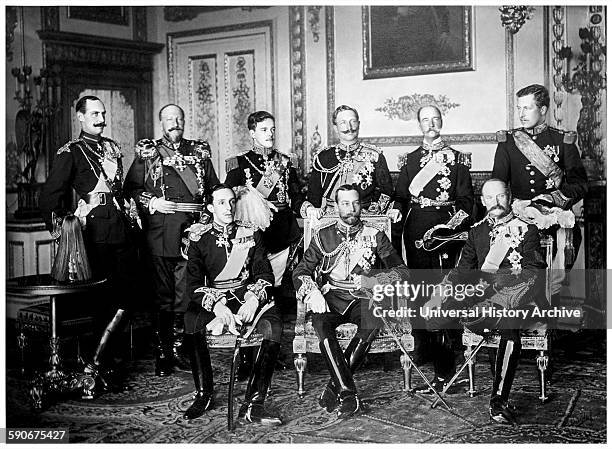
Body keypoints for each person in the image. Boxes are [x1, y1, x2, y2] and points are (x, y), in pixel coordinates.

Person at [423, 179, 546, 424]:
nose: (496, 203)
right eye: (490, 198)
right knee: (432, 315)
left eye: (501, 196)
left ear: (509, 197)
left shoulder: (527, 230)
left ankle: (498, 401)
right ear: (483, 201)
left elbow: (534, 272)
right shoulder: (476, 232)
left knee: (509, 328)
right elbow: (460, 272)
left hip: (517, 298)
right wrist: (437, 297)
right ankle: (443, 374)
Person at [39, 95, 139, 391]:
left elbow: (123, 189)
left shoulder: (111, 148)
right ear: (80, 117)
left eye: (103, 113)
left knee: (127, 296)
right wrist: (70, 223)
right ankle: (95, 366)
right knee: (101, 301)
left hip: (123, 231)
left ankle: (107, 360)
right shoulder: (70, 152)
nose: (101, 118)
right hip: (95, 236)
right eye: (94, 113)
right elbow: (49, 198)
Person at [293, 184, 410, 418]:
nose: (352, 209)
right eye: (345, 203)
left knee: (372, 321)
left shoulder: (375, 234)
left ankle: (335, 388)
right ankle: (348, 393)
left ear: (361, 204)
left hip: (363, 296)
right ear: (336, 206)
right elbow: (301, 271)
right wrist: (313, 292)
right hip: (331, 296)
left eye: (356, 203)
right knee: (321, 325)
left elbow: (401, 271)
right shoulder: (322, 235)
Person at [124, 104, 219, 377]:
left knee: (187, 292)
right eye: (168, 119)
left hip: (194, 230)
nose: (174, 122)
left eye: (178, 118)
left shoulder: (199, 150)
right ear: (161, 123)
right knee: (163, 294)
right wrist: (152, 201)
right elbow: (131, 188)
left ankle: (181, 348)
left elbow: (212, 188)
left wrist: (210, 217)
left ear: (185, 120)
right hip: (161, 229)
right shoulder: (149, 151)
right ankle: (163, 354)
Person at [182, 184, 283, 425]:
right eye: (221, 202)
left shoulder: (251, 232)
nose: (228, 207)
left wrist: (254, 299)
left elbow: (264, 274)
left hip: (246, 294)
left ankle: (254, 402)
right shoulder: (199, 238)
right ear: (210, 207)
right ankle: (204, 393)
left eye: (231, 202)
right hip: (215, 296)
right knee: (190, 320)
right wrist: (217, 307)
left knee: (274, 324)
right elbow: (193, 283)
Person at [393, 104, 474, 382]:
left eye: (435, 119)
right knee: (418, 286)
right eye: (425, 120)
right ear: (419, 125)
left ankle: (450, 348)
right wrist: (395, 209)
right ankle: (423, 345)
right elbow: (402, 197)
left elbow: (466, 201)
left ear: (442, 122)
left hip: (445, 228)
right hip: (415, 227)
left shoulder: (458, 159)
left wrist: (449, 228)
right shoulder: (409, 160)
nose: (431, 124)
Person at [492, 84, 587, 308]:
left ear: (543, 109)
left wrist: (552, 199)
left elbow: (580, 185)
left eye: (528, 108)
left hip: (554, 217)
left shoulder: (562, 141)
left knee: (564, 249)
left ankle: (549, 310)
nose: (522, 114)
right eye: (519, 108)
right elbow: (498, 185)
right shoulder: (508, 142)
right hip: (520, 216)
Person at [302, 105, 401, 224]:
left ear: (358, 124)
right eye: (343, 123)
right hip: (330, 219)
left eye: (352, 122)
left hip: (364, 218)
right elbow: (314, 196)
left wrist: (373, 212)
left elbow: (386, 192)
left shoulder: (374, 155)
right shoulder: (323, 157)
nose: (349, 127)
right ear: (335, 127)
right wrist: (313, 211)